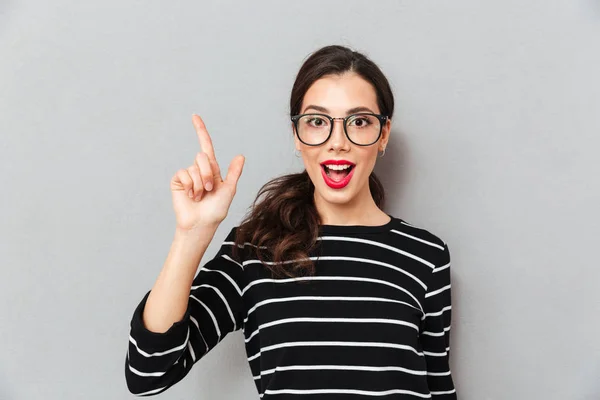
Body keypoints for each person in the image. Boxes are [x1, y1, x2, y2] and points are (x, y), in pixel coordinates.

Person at [124, 45, 457, 399]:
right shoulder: (255, 249)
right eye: (317, 122)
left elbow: (439, 388)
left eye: (359, 122)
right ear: (298, 135)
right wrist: (192, 234)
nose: (337, 143)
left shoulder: (426, 256)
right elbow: (148, 371)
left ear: (384, 134)